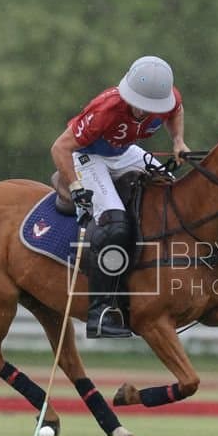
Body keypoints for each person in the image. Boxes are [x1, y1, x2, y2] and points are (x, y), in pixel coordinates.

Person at [50, 55, 189, 338]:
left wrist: (178, 141)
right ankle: (101, 311)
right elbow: (59, 148)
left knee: (175, 200)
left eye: (152, 107)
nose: (145, 112)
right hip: (88, 156)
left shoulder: (168, 97)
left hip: (125, 152)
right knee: (116, 225)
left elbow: (176, 111)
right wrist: (76, 187)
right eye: (141, 104)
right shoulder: (106, 109)